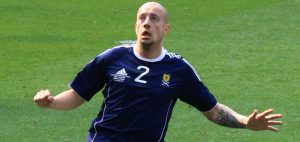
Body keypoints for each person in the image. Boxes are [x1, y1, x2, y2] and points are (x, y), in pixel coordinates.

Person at [33, 2, 283, 142]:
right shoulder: (112, 57)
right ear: (135, 25)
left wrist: (245, 122)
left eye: (154, 19)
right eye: (142, 18)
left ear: (166, 29)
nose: (147, 23)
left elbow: (214, 111)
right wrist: (51, 102)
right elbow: (76, 96)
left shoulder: (178, 70)